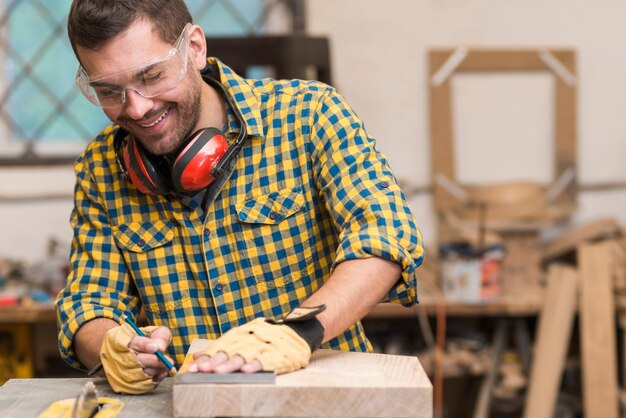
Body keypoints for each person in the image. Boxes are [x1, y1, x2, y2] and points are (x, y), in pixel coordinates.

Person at [55, 0, 424, 394]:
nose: (138, 108)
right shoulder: (102, 167)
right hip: (197, 405)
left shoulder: (309, 114)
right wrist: (113, 347)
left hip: (326, 401)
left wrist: (299, 332)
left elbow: (386, 237)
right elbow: (88, 303)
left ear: (194, 48)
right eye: (110, 90)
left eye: (152, 76)